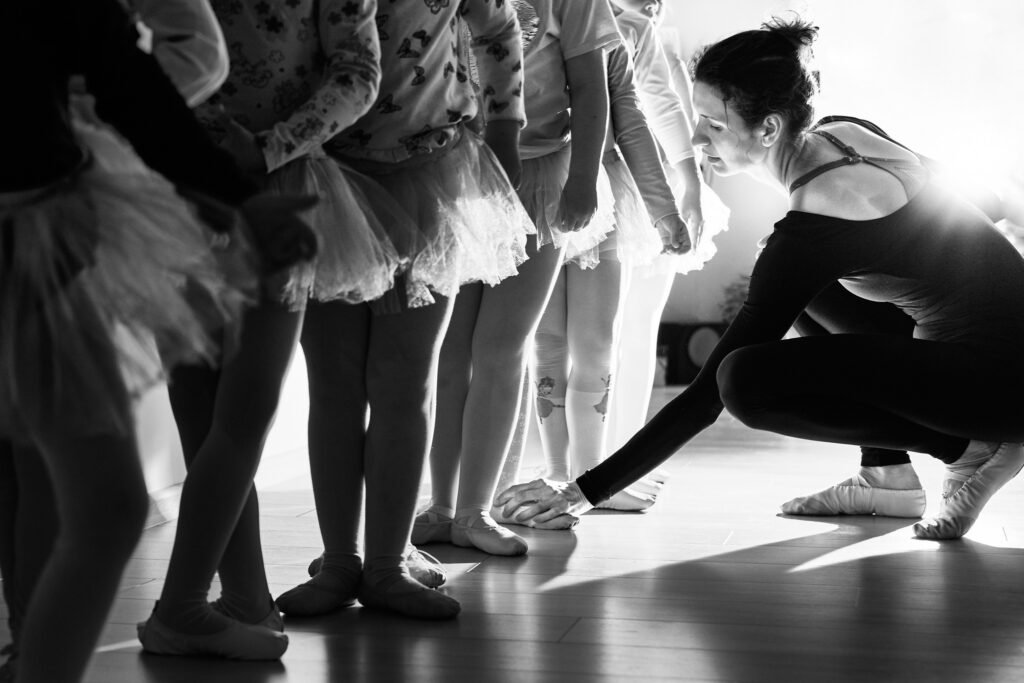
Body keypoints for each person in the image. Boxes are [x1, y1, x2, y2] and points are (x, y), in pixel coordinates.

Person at [495, 16, 1024, 542]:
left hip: (1000, 390)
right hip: (990, 360)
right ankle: (887, 478)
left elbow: (707, 396)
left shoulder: (815, 224)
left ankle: (972, 447)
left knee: (743, 381)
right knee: (792, 272)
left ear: (769, 129)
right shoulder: (846, 133)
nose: (697, 137)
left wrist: (583, 492)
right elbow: (973, 203)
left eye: (714, 125)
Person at [1, 1, 316, 680]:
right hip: (30, 220)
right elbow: (131, 67)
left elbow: (123, 70)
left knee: (98, 501)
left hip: (38, 221)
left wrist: (235, 195)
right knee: (94, 500)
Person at [137, 0, 388, 659]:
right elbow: (358, 71)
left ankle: (235, 599)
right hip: (186, 182)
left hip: (250, 181)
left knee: (230, 412)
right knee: (213, 410)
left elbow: (359, 73)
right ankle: (192, 606)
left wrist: (266, 146)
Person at [279, 0, 532, 615]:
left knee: (405, 380)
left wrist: (505, 128)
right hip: (322, 171)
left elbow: (499, 27)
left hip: (429, 165)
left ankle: (387, 563)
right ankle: (341, 559)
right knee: (334, 383)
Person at [414, 0, 621, 556]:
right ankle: (442, 505)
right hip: (454, 174)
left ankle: (475, 511)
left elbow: (591, 88)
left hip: (539, 176)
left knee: (501, 348)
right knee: (451, 352)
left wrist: (584, 180)